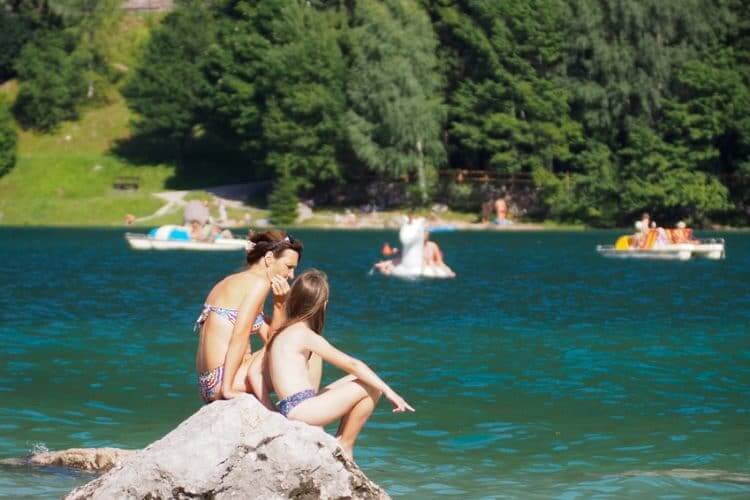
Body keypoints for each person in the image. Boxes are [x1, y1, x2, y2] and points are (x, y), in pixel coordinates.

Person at [248, 269, 414, 460]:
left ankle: (340, 440)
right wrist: (389, 391)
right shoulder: (304, 334)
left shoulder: (280, 332)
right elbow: (352, 363)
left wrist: (272, 409)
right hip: (304, 410)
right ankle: (345, 445)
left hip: (290, 406)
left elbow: (254, 372)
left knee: (358, 378)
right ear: (322, 305)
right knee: (372, 386)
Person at [194, 230, 314, 404]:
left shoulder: (232, 281)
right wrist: (227, 389)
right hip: (225, 381)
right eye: (289, 267)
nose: (291, 275)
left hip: (209, 383)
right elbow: (241, 336)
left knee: (299, 343)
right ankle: (304, 410)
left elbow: (269, 338)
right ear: (269, 258)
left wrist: (279, 305)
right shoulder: (259, 284)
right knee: (308, 348)